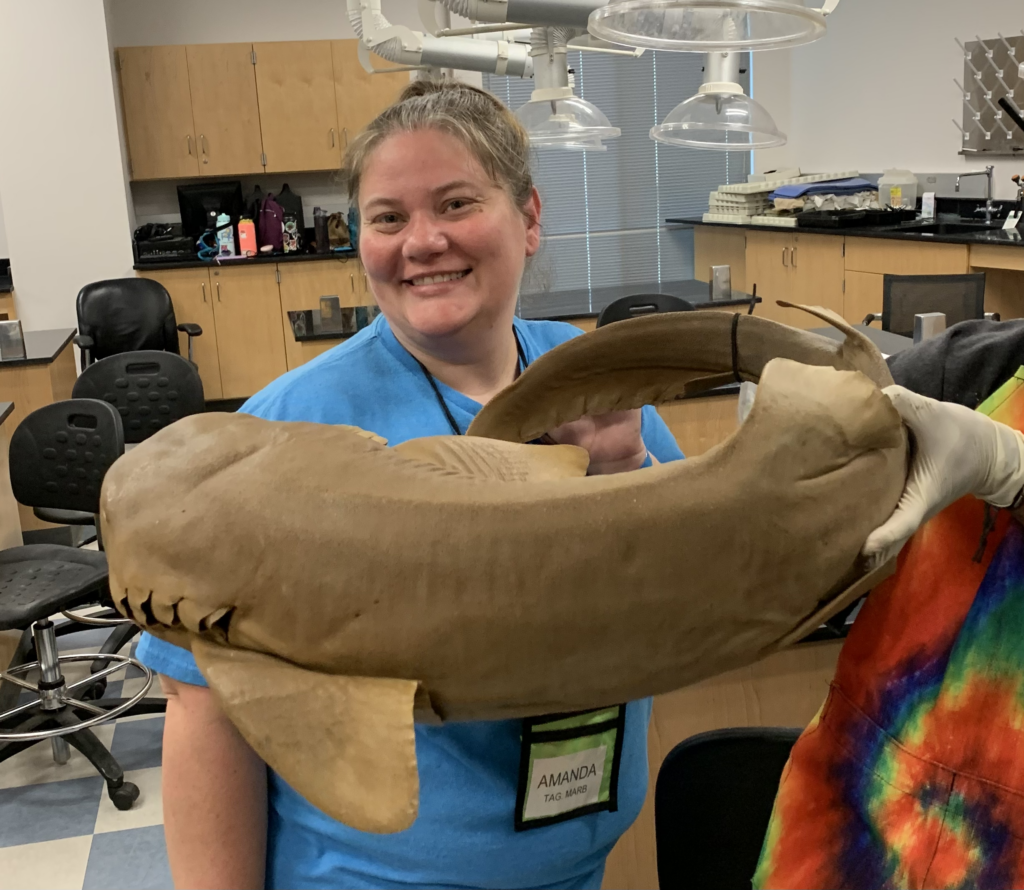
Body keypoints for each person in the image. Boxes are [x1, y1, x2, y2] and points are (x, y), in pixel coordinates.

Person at [137, 79, 684, 890]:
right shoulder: (285, 432)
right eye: (388, 217)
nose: (422, 241)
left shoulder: (600, 390)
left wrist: (620, 479)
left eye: (456, 203)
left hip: (578, 865)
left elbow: (687, 611)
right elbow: (204, 705)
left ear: (529, 218)